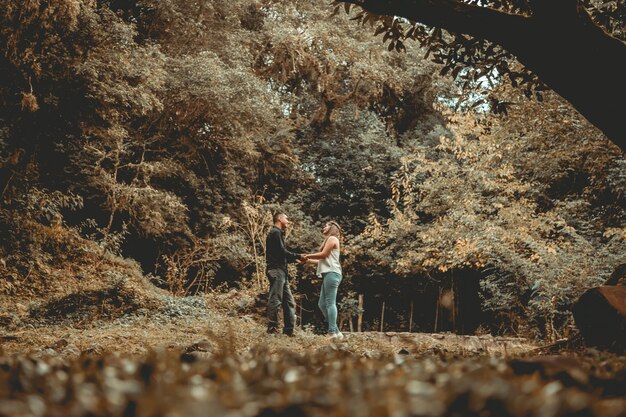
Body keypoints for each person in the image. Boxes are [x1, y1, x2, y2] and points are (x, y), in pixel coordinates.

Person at [265, 211, 304, 336]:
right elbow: (282, 252)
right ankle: (271, 329)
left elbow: (280, 254)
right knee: (275, 300)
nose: (288, 221)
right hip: (276, 270)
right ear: (280, 219)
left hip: (282, 271)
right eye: (286, 218)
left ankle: (288, 331)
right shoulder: (275, 232)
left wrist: (296, 259)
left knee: (289, 302)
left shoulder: (278, 233)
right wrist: (298, 256)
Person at [304, 221, 343, 339]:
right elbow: (323, 260)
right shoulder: (330, 239)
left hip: (332, 273)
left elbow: (323, 255)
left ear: (332, 228)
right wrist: (308, 260)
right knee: (322, 304)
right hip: (329, 274)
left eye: (326, 225)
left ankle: (332, 332)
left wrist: (306, 255)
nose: (323, 226)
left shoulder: (332, 238)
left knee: (330, 303)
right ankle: (337, 332)